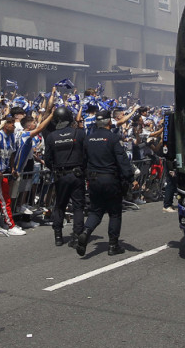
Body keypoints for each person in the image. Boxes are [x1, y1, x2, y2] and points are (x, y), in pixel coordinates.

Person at [77, 110, 138, 257]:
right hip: (110, 180)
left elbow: (83, 162)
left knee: (95, 211)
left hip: (94, 180)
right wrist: (131, 178)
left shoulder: (88, 139)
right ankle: (113, 245)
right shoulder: (112, 138)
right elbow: (122, 160)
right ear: (109, 122)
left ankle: (85, 232)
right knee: (115, 213)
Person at [44, 106, 86, 247]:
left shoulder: (51, 137)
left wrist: (55, 169)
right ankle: (76, 236)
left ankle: (58, 236)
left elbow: (47, 159)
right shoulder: (79, 133)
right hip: (76, 174)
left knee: (60, 206)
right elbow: (86, 154)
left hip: (60, 175)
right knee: (78, 206)